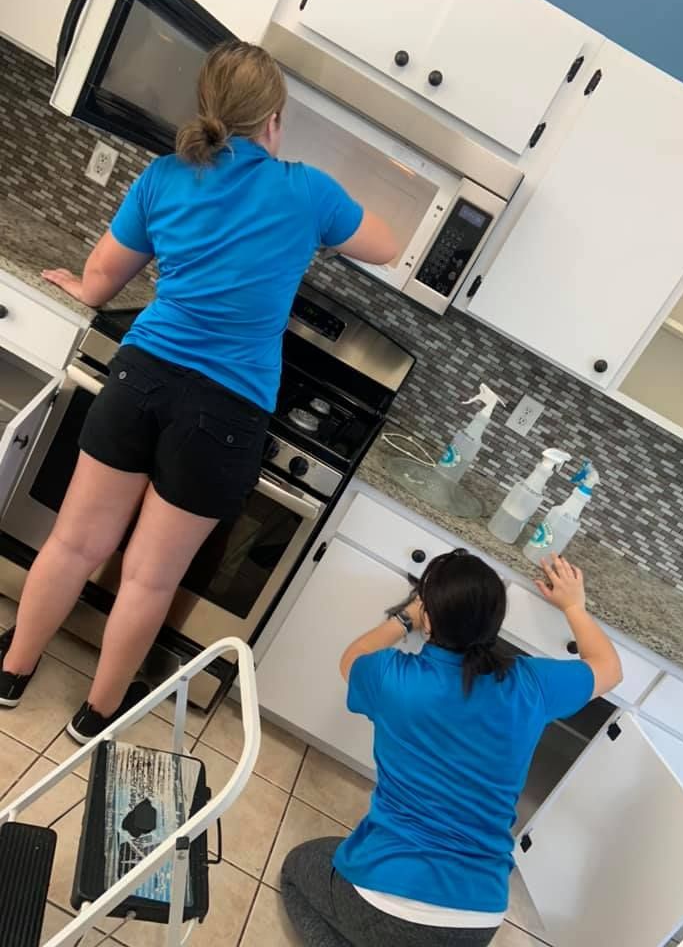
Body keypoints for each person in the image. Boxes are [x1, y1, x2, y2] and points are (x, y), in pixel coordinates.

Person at [0, 41, 397, 742]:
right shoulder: (307, 191)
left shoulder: (163, 177)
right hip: (227, 409)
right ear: (273, 120)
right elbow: (388, 245)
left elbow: (100, 279)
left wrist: (73, 286)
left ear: (206, 109)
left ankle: (12, 672)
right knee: (149, 581)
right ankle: (94, 717)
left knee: (72, 544)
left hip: (143, 376)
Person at [281, 550, 622, 946]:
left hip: (386, 902)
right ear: (494, 622)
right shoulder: (532, 684)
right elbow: (609, 669)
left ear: (431, 617)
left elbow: (353, 658)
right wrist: (573, 607)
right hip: (477, 922)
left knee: (299, 867)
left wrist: (406, 617)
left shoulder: (392, 678)